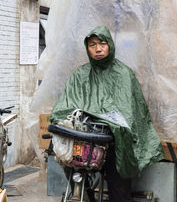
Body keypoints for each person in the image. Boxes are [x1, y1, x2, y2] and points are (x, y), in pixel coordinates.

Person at [50, 26, 164, 202]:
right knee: (66, 159)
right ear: (87, 48)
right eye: (92, 44)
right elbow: (65, 104)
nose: (98, 48)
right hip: (85, 137)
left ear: (109, 45)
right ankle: (85, 194)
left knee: (118, 181)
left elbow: (131, 114)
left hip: (114, 141)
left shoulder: (124, 74)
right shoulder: (80, 74)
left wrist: (114, 126)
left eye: (102, 43)